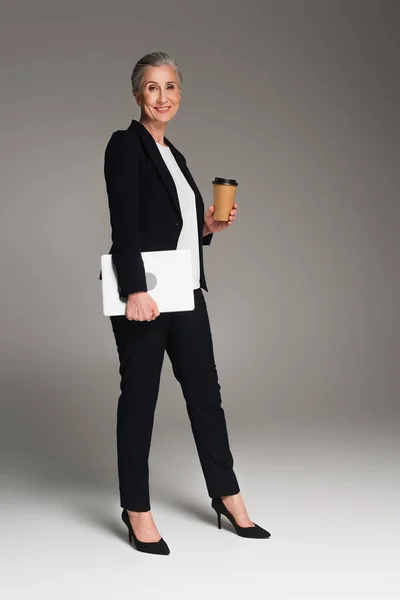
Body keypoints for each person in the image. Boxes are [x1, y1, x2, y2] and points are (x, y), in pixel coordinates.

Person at [101, 52, 271, 555]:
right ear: (138, 95)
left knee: (205, 398)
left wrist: (208, 228)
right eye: (152, 87)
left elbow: (174, 229)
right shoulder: (124, 146)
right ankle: (137, 510)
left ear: (180, 93)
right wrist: (133, 290)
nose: (163, 96)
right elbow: (125, 222)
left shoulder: (174, 154)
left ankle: (227, 494)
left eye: (170, 86)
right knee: (140, 402)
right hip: (147, 296)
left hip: (186, 292)